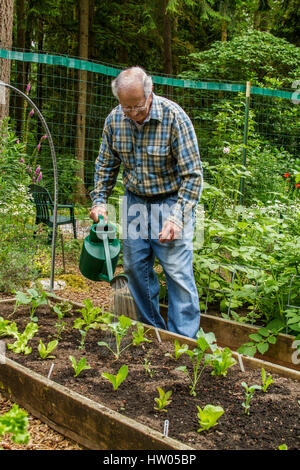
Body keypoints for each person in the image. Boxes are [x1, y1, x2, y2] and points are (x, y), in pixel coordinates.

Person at [90, 66, 203, 338]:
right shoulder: (115, 120)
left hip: (170, 203)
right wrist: (99, 200)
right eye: (125, 107)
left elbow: (193, 175)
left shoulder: (174, 118)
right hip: (134, 203)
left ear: (149, 93)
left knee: (177, 273)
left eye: (137, 106)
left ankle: (183, 341)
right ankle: (153, 334)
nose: (132, 113)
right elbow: (105, 165)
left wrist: (177, 218)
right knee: (134, 269)